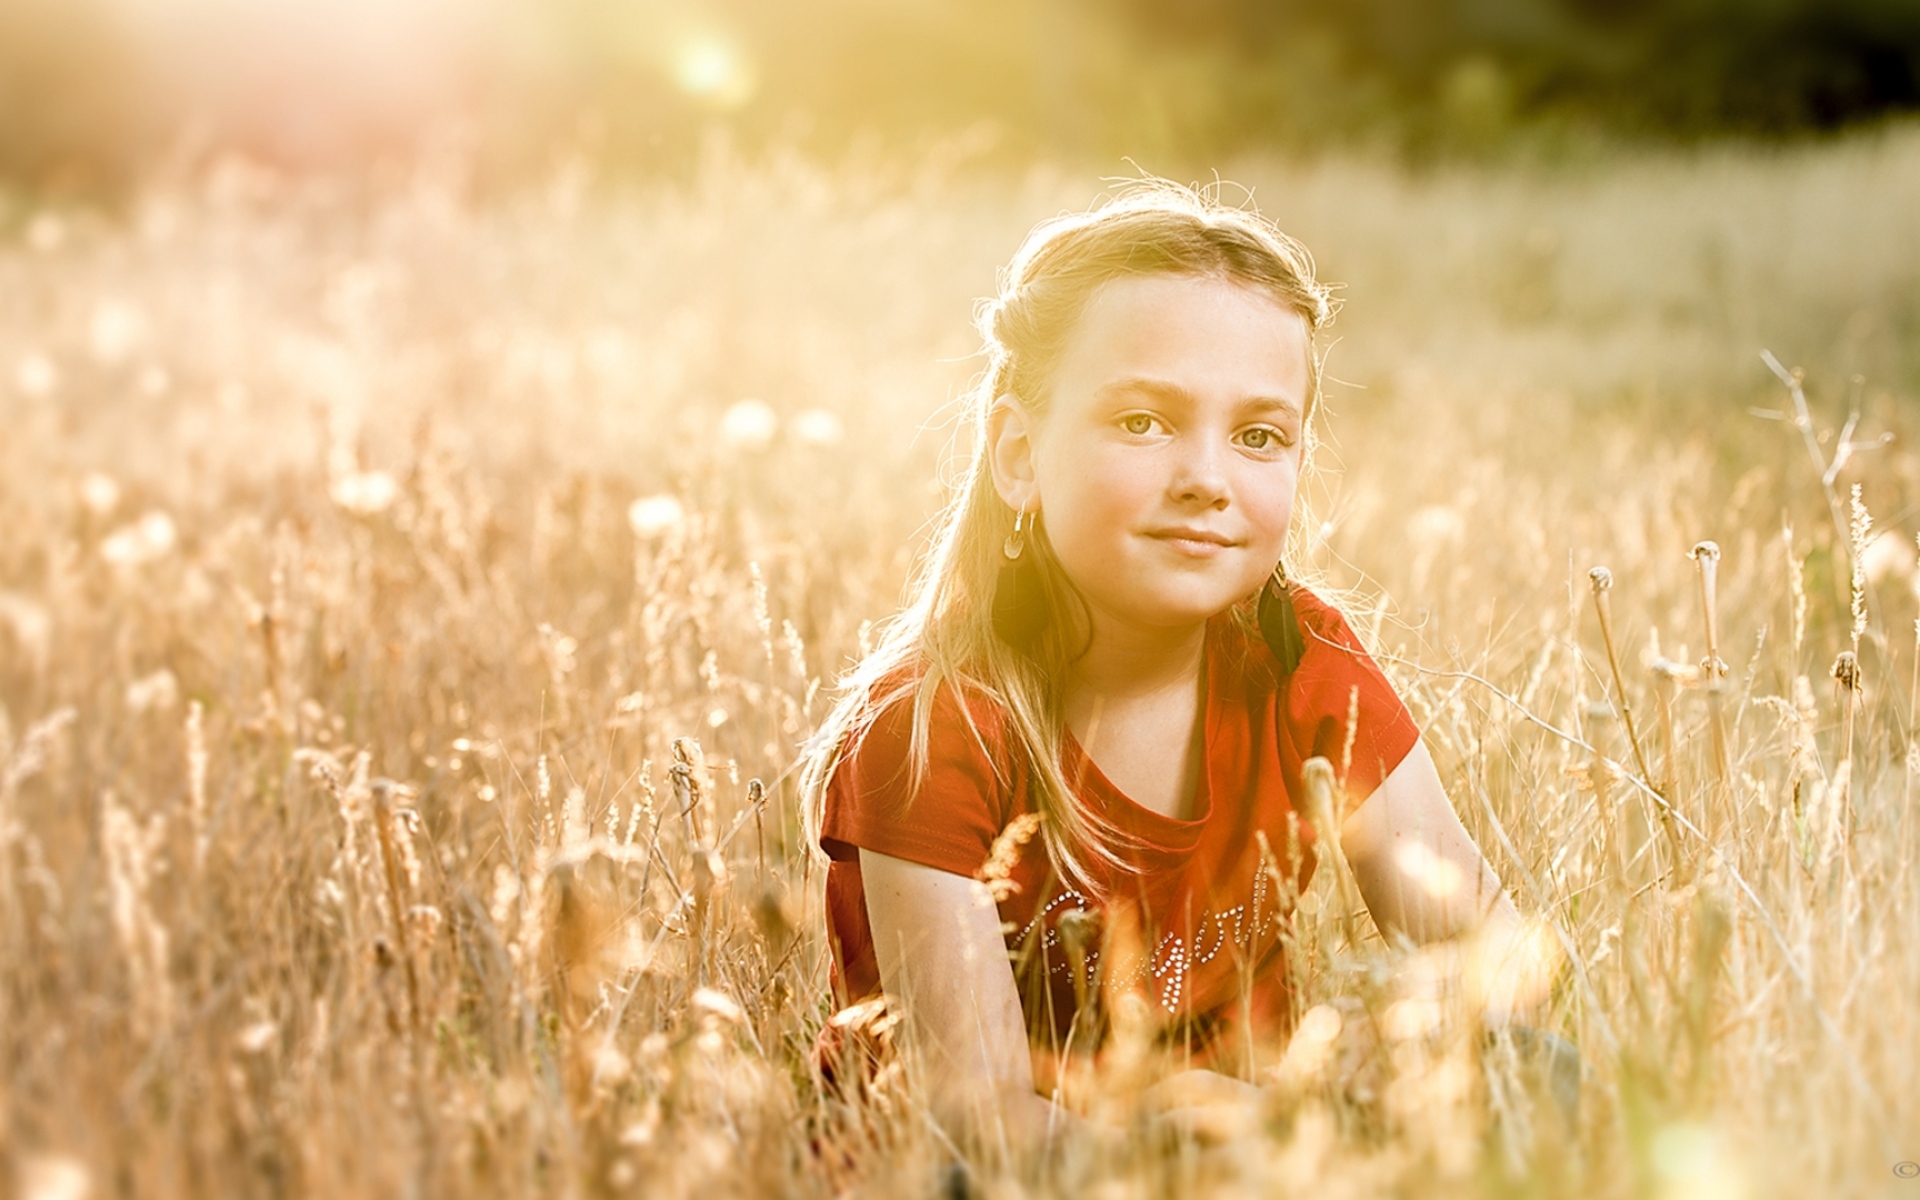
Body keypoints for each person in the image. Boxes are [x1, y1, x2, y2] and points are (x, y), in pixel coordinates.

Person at [800, 179, 1560, 1148]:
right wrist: (1210, 1143)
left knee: (1542, 1077)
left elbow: (1488, 957)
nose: (1205, 478)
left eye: (1257, 436)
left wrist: (1387, 1077)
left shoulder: (1300, 664)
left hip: (1254, 1152)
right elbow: (975, 1115)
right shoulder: (929, 732)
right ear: (1019, 456)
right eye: (1143, 421)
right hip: (1009, 1169)